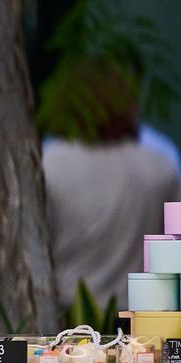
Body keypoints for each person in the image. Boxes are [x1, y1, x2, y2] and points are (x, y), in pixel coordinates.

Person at [40, 56, 181, 311]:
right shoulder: (161, 164)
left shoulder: (48, 162)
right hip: (139, 317)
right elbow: (172, 252)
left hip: (66, 318)